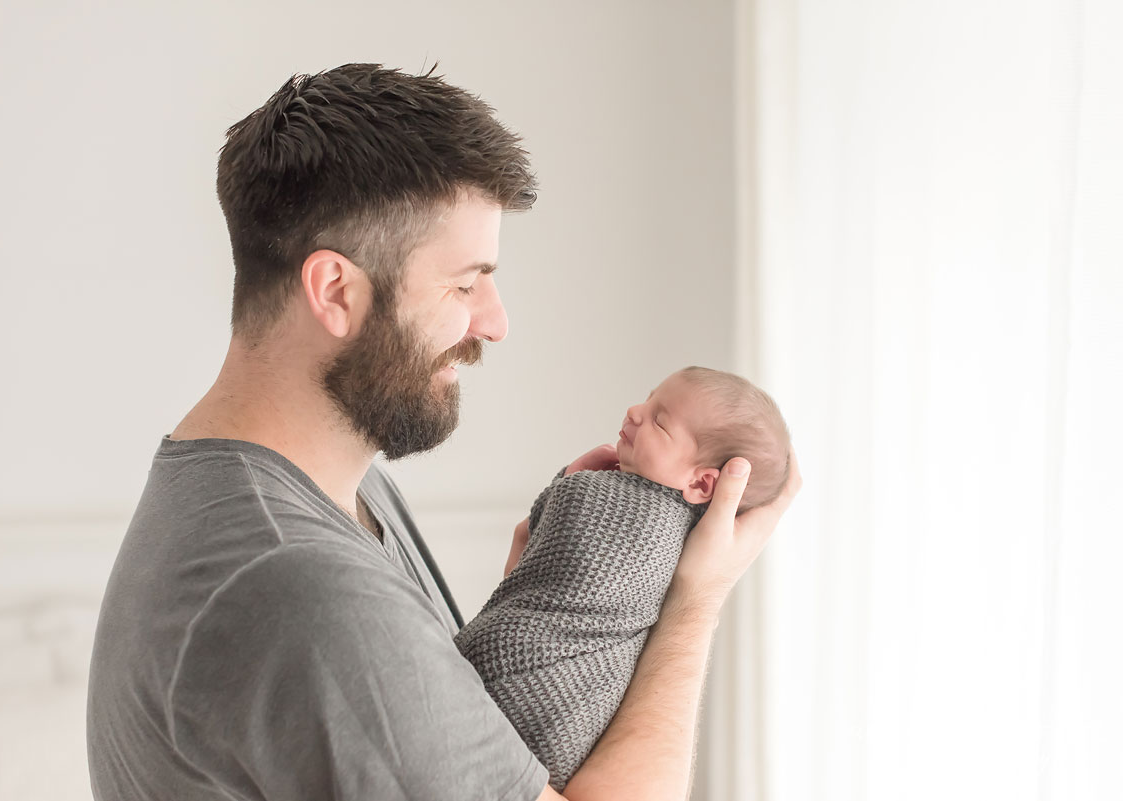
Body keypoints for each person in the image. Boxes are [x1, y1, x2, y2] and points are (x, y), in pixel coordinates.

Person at [86, 63, 801, 801]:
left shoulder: (331, 489)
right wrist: (695, 599)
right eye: (465, 283)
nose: (494, 320)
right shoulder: (301, 585)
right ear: (336, 290)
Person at [454, 366, 792, 789]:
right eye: (648, 401)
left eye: (660, 421)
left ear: (703, 482)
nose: (635, 412)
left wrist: (566, 486)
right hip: (568, 732)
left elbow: (556, 518)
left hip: (530, 681)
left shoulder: (617, 504)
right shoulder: (691, 542)